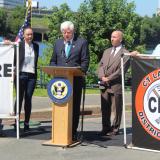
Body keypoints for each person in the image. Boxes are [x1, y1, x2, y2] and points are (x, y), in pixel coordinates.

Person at [50, 21, 89, 140]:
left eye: (69, 32)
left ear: (73, 32)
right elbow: (52, 61)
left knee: (74, 107)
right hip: (59, 82)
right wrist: (54, 69)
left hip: (75, 81)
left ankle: (72, 132)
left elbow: (85, 61)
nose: (66, 35)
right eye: (64, 32)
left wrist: (78, 71)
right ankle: (59, 131)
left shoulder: (81, 42)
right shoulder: (57, 43)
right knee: (59, 104)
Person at [97, 30, 138, 136]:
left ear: (120, 39)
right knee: (105, 107)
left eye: (114, 37)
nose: (112, 39)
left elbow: (121, 70)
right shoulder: (106, 51)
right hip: (104, 84)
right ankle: (105, 127)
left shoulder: (125, 53)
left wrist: (109, 78)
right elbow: (101, 65)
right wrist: (102, 76)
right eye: (111, 36)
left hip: (116, 85)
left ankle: (115, 129)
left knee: (117, 108)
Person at [14, 27, 39, 132]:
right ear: (23, 35)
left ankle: (26, 123)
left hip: (32, 76)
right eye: (28, 34)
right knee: (19, 98)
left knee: (28, 99)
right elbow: (12, 56)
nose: (30, 36)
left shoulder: (36, 46)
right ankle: (16, 121)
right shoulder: (18, 45)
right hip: (20, 75)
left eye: (31, 34)